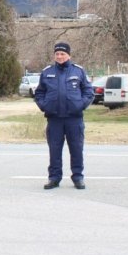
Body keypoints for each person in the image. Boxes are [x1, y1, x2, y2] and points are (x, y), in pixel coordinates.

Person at [35, 42, 93, 190]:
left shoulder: (78, 71)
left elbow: (89, 92)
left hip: (74, 119)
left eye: (62, 54)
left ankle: (78, 177)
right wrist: (44, 105)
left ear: (69, 55)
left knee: (76, 149)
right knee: (54, 150)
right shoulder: (47, 72)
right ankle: (54, 178)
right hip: (54, 119)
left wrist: (80, 105)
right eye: (57, 54)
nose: (59, 57)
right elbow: (39, 93)